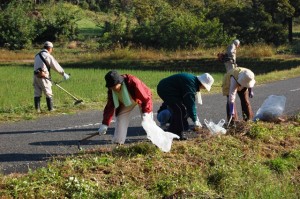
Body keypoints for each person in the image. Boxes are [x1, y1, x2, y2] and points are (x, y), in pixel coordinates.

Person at [98, 70, 153, 144]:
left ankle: (153, 138)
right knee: (120, 118)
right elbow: (110, 106)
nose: (113, 89)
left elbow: (145, 98)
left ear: (119, 82)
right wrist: (105, 124)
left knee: (146, 118)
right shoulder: (111, 90)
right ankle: (118, 142)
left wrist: (146, 112)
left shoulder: (132, 81)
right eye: (111, 87)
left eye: (115, 86)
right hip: (126, 101)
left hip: (141, 98)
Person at [157, 73, 214, 140]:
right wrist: (195, 120)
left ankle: (172, 132)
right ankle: (181, 132)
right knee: (180, 110)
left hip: (167, 88)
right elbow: (190, 104)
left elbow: (190, 103)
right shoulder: (191, 85)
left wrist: (195, 118)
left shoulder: (193, 82)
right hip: (165, 89)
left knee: (179, 110)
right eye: (205, 87)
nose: (204, 88)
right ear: (202, 83)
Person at [33, 41, 70, 112]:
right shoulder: (47, 55)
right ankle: (51, 109)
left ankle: (37, 110)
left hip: (35, 76)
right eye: (52, 49)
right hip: (43, 76)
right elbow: (55, 66)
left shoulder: (37, 55)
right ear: (50, 48)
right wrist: (63, 73)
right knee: (48, 92)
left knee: (37, 92)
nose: (52, 50)